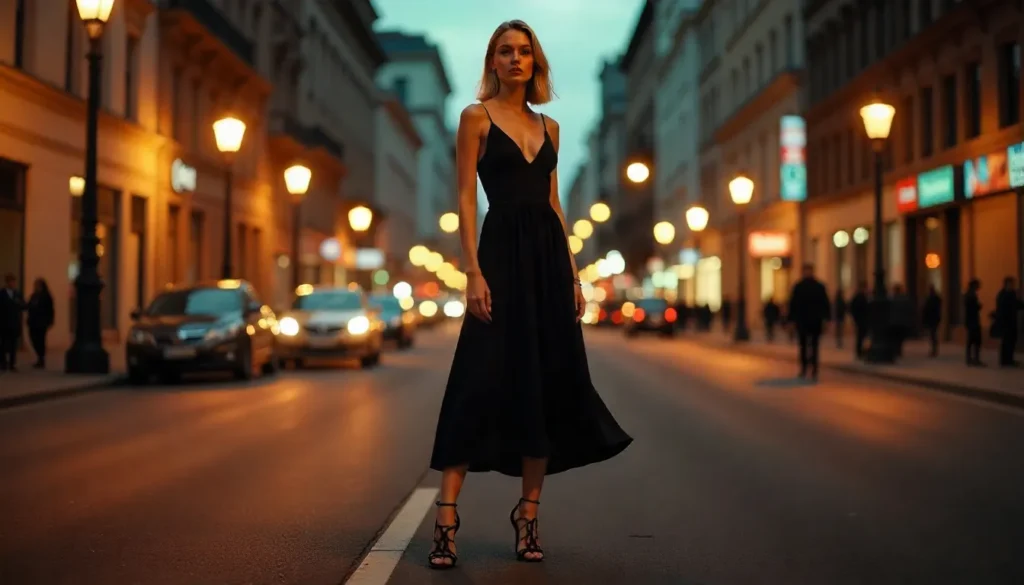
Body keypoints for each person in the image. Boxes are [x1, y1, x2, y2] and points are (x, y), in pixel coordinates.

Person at [426, 20, 633, 569]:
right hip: (498, 255)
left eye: (524, 52)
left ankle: (528, 514)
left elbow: (556, 205)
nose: (515, 59)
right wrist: (472, 271)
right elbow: (467, 201)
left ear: (535, 62)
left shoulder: (552, 127)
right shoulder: (476, 117)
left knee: (546, 380)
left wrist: (572, 276)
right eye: (504, 52)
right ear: (492, 62)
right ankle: (446, 515)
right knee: (477, 377)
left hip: (545, 258)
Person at [787, 264, 831, 380]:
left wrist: (826, 319)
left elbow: (825, 304)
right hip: (803, 321)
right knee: (803, 346)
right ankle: (804, 368)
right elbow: (793, 305)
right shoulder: (799, 287)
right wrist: (791, 321)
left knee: (814, 346)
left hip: (814, 320)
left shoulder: (818, 287)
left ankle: (814, 369)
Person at [994, 276, 1023, 367]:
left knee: (1012, 341)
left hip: (1012, 322)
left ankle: (1009, 359)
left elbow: (1017, 304)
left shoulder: (1012, 294)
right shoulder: (1002, 295)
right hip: (1005, 322)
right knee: (1006, 342)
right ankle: (1005, 360)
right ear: (1006, 284)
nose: (1012, 285)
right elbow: (1001, 308)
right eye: (1011, 283)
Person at [26, 278, 55, 368]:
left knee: (41, 340)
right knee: (33, 338)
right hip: (33, 322)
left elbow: (51, 310)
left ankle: (41, 358)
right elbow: (29, 306)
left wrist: (50, 321)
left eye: (38, 285)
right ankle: (39, 356)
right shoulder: (33, 296)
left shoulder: (46, 296)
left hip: (42, 322)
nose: (36, 287)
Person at [0, 273, 26, 371]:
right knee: (3, 344)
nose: (13, 284)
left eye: (14, 282)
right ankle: (3, 363)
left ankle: (12, 364)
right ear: (7, 282)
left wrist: (20, 304)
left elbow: (24, 305)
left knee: (13, 345)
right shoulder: (2, 293)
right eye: (11, 282)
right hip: (4, 323)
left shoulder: (17, 293)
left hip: (14, 323)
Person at [964, 279, 983, 366]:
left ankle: (970, 359)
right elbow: (972, 308)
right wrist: (978, 306)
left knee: (971, 341)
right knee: (975, 340)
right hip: (973, 321)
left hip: (970, 321)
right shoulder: (971, 295)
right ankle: (974, 359)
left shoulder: (969, 294)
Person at [849, 282, 869, 358]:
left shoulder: (861, 296)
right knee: (860, 336)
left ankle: (860, 351)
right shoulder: (860, 297)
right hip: (861, 319)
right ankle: (859, 352)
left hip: (861, 319)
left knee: (861, 336)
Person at [921, 285, 942, 357]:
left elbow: (926, 310)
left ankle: (934, 350)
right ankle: (934, 349)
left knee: (933, 335)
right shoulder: (935, 298)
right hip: (934, 319)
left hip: (932, 319)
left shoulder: (930, 299)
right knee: (933, 334)